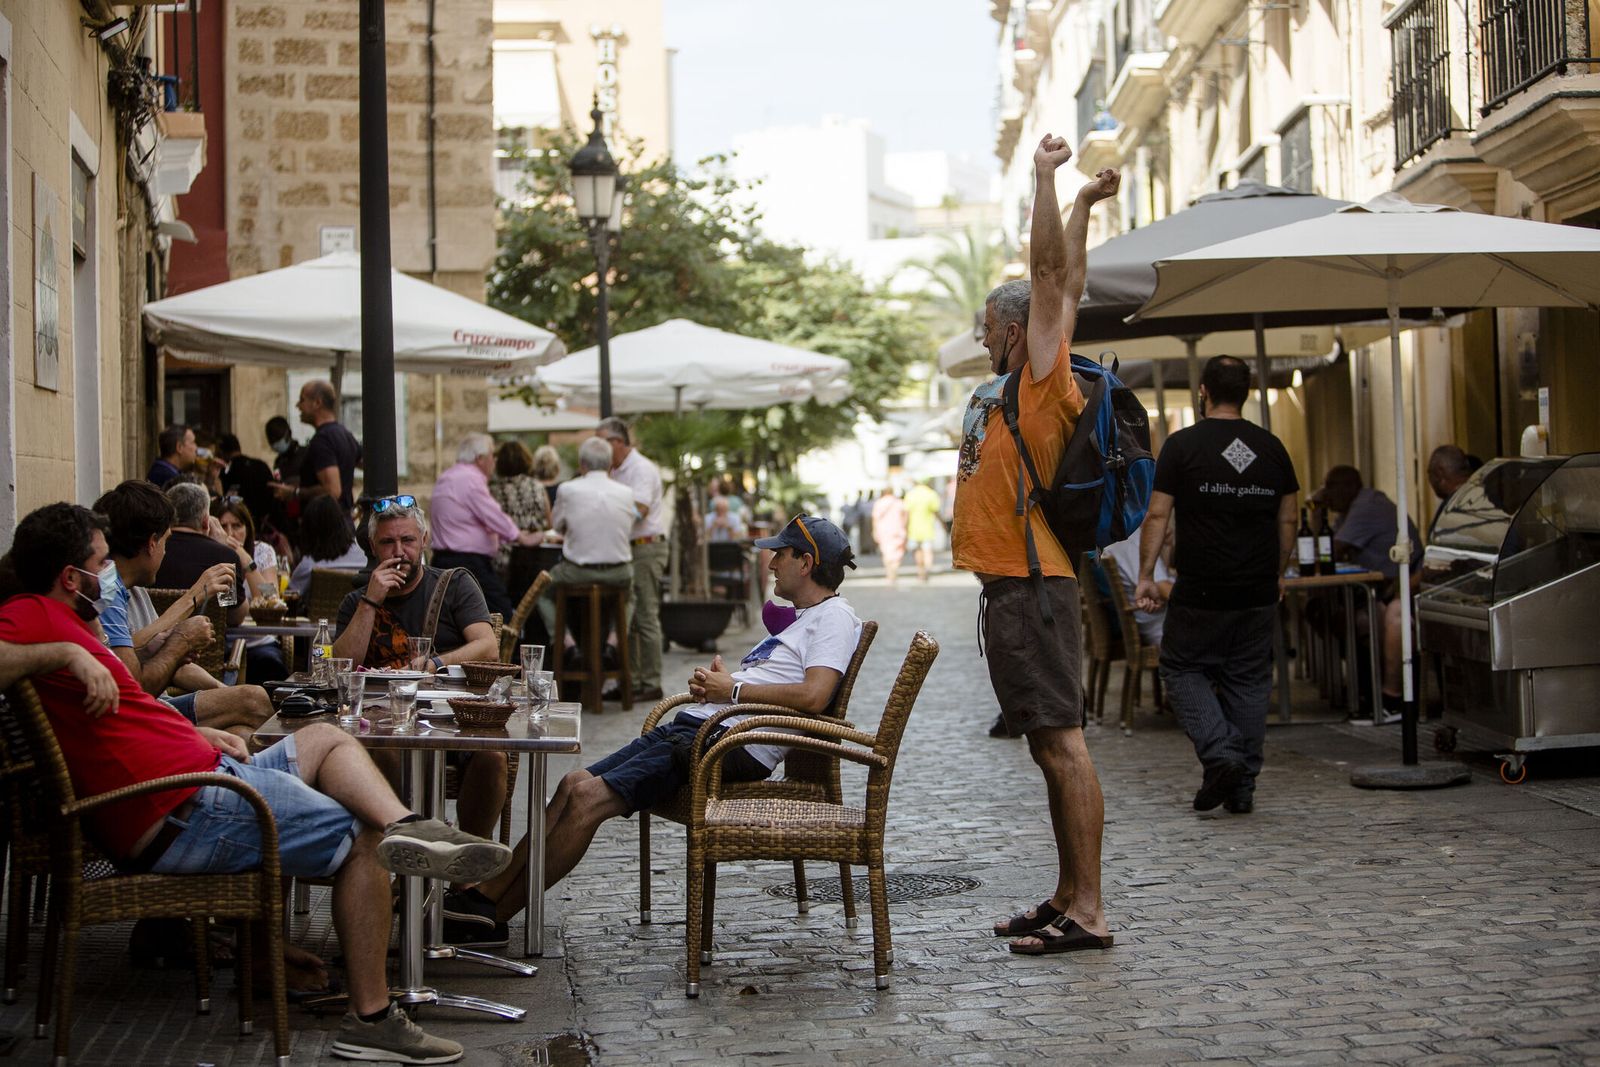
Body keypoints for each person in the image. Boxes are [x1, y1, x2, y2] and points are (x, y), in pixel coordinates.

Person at [0, 502, 513, 1064]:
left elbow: (131, 711)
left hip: (198, 778)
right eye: (101, 564)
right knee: (367, 838)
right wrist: (70, 651)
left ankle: (413, 827)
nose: (111, 576)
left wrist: (197, 736)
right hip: (179, 807)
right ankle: (369, 1018)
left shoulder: (71, 618)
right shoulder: (33, 617)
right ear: (71, 578)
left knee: (324, 737)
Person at [440, 515, 862, 945]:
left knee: (587, 800)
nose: (771, 563)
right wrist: (717, 686)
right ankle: (485, 895)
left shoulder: (834, 617)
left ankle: (490, 917)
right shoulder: (804, 617)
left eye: (780, 554)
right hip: (701, 729)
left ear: (806, 563)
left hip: (727, 745)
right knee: (572, 783)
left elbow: (814, 695)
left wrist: (731, 689)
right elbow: (776, 681)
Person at [950, 137, 1118, 957]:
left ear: (1017, 330)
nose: (982, 341)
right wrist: (1084, 207)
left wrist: (1047, 180)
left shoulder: (1041, 376)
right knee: (1048, 746)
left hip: (1035, 583)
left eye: (988, 329)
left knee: (1064, 743)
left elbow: (1055, 282)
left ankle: (1089, 907)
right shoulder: (1014, 375)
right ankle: (1065, 892)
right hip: (1013, 586)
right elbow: (1071, 278)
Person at [1135, 355, 1300, 817]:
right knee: (1248, 681)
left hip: (1202, 586)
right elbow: (1288, 517)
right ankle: (1242, 784)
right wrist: (1279, 572)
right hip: (1257, 590)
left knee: (1182, 668)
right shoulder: (1272, 448)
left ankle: (1221, 755)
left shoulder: (1183, 446)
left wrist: (1147, 575)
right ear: (1245, 393)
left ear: (1203, 392)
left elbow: (1158, 514)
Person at [330, 498, 509, 842]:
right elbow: (342, 667)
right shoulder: (356, 602)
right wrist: (371, 601)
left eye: (408, 541)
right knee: (383, 751)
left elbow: (488, 646)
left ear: (424, 541)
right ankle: (406, 852)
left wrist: (436, 663)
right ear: (373, 547)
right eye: (388, 543)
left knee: (493, 757)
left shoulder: (454, 584)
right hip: (382, 724)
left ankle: (468, 867)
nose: (400, 552)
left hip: (452, 717)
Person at [89, 480, 273, 739]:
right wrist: (185, 627)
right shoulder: (106, 591)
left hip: (154, 704)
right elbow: (133, 686)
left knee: (242, 731)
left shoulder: (131, 587)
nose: (167, 552)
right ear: (152, 543)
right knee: (254, 700)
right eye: (166, 541)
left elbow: (142, 652)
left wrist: (223, 690)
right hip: (141, 717)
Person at [1321, 464, 1422, 721]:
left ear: (1350, 486)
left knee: (1355, 622)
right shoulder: (1347, 512)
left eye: (1330, 487)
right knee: (1328, 613)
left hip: (1399, 590)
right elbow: (1325, 548)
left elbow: (1334, 550)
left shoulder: (1367, 506)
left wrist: (1316, 507)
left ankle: (1379, 696)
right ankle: (1364, 690)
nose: (1326, 493)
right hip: (1380, 590)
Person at [536, 437, 638, 670]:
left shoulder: (568, 489)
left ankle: (568, 644)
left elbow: (558, 526)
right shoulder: (626, 492)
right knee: (631, 596)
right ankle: (613, 643)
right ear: (610, 464)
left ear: (582, 464)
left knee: (542, 591)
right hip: (619, 573)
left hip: (577, 572)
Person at [429, 433, 543, 619]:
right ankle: (501, 648)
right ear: (479, 458)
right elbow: (491, 513)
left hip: (445, 559)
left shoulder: (449, 476)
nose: (494, 460)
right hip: (467, 562)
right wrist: (520, 537)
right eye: (491, 455)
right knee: (500, 611)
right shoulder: (469, 479)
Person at [598, 417, 668, 703]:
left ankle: (649, 682)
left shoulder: (640, 469)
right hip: (631, 548)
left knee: (644, 616)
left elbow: (639, 509)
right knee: (631, 617)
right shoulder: (615, 470)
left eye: (601, 441)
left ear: (617, 442)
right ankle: (634, 681)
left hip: (645, 548)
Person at [215, 497, 289, 683]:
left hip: (257, 641)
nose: (230, 533)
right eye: (223, 526)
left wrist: (247, 562)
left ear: (247, 527)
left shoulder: (262, 551)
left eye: (237, 525)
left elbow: (271, 598)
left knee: (271, 667)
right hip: (221, 644)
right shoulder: (209, 552)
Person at [270, 380, 362, 512]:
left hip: (327, 525)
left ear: (317, 403)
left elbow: (332, 490)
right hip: (343, 521)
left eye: (302, 400)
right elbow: (364, 464)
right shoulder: (345, 434)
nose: (298, 406)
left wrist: (295, 493)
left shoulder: (322, 440)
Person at [489, 439, 552, 578]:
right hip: (537, 557)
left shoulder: (493, 491)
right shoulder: (537, 487)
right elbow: (549, 523)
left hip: (505, 559)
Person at [1101, 525, 1173, 646]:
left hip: (1163, 619)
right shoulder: (1128, 538)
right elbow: (1163, 588)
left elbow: (1162, 576)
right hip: (1163, 626)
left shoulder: (1124, 534)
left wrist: (1166, 546)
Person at [288, 495, 367, 596]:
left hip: (317, 612)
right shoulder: (364, 556)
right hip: (359, 610)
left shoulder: (308, 566)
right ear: (341, 523)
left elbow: (289, 597)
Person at [218, 433, 276, 529]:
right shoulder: (260, 465)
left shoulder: (226, 472)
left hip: (238, 524)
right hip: (264, 524)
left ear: (221, 452)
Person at [903, 479, 943, 584]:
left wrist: (905, 527)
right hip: (927, 528)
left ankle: (920, 570)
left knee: (918, 551)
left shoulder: (910, 494)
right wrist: (943, 524)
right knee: (927, 551)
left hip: (913, 528)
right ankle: (926, 570)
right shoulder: (931, 494)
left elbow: (906, 513)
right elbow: (936, 511)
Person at [871, 487, 907, 588]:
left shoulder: (879, 503)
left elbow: (875, 518)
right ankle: (894, 572)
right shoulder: (899, 502)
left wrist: (874, 531)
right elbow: (905, 516)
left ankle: (889, 574)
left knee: (886, 553)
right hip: (898, 529)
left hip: (884, 531)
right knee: (897, 554)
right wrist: (904, 527)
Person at [146, 424, 196, 489]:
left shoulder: (162, 470)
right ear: (179, 447)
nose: (196, 448)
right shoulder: (168, 478)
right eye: (193, 442)